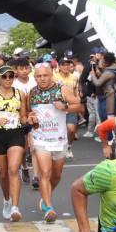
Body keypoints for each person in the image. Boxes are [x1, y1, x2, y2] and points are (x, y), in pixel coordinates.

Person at [29, 63, 78, 222]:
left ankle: (45, 196)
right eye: (39, 76)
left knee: (56, 175)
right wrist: (30, 117)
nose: (42, 78)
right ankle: (49, 208)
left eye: (45, 75)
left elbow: (78, 105)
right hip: (41, 138)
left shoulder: (62, 89)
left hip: (59, 139)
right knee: (45, 172)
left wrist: (64, 107)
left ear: (51, 75)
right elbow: (26, 113)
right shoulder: (32, 93)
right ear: (35, 77)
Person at [0, 65, 29, 221]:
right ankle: (7, 200)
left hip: (15, 134)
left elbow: (22, 117)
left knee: (13, 169)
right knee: (3, 174)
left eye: (10, 76)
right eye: (4, 76)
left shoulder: (20, 93)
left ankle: (15, 207)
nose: (8, 79)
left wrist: (29, 120)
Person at [54, 52, 82, 161]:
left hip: (70, 107)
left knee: (71, 129)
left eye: (68, 64)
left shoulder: (74, 77)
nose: (66, 67)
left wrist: (77, 97)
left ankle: (69, 146)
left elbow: (76, 90)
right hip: (58, 107)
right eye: (63, 65)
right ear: (59, 66)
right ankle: (58, 148)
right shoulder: (54, 77)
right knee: (59, 129)